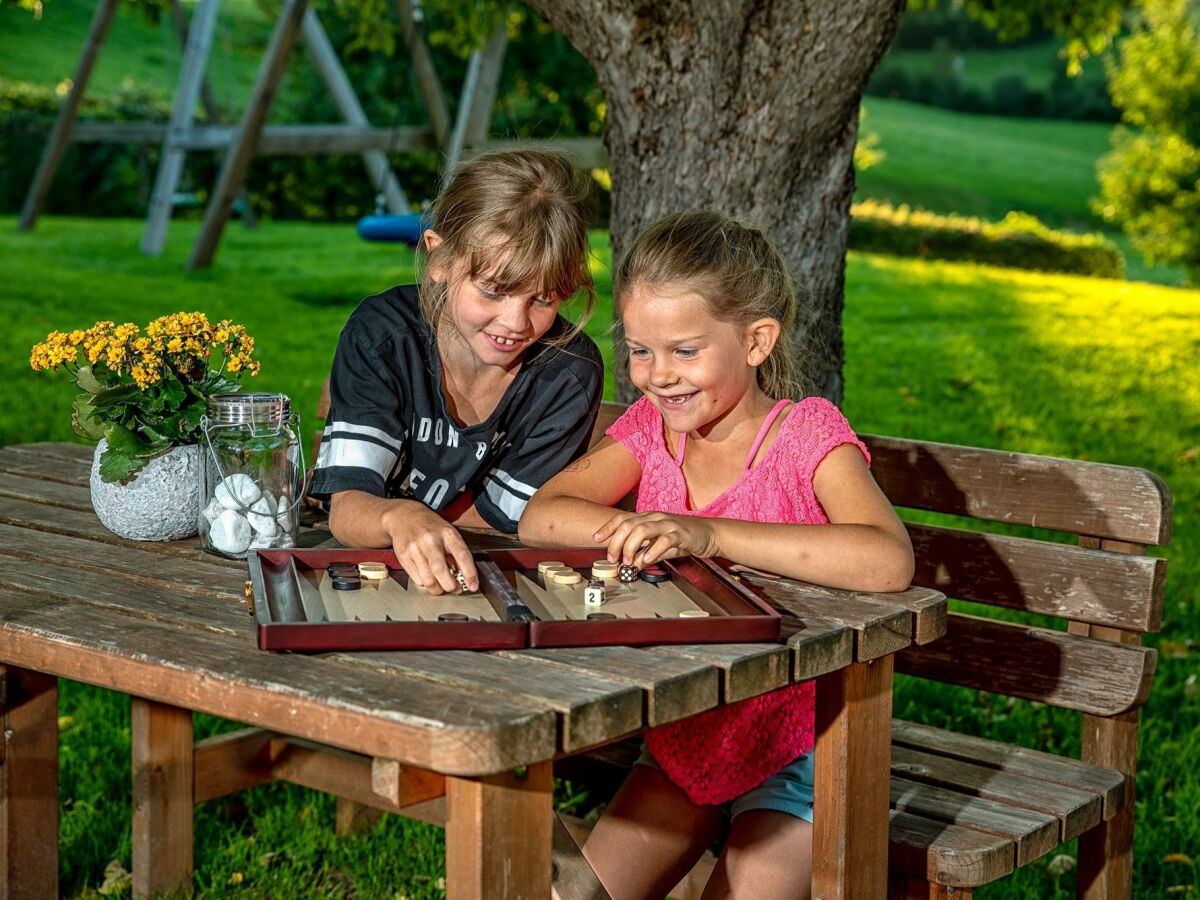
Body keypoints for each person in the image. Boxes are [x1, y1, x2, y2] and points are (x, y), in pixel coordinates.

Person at [519, 210, 914, 899]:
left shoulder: (805, 437)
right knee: (571, 895)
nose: (657, 376)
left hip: (803, 751)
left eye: (684, 351)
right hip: (689, 739)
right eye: (640, 350)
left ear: (758, 341)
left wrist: (710, 534)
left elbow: (887, 560)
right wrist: (638, 526)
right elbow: (541, 516)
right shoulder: (652, 432)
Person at [309, 149, 603, 595]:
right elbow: (348, 509)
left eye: (543, 299)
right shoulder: (383, 336)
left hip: (482, 582)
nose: (515, 323)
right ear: (439, 259)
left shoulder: (567, 375)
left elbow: (505, 520)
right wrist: (394, 516)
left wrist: (385, 511)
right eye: (493, 291)